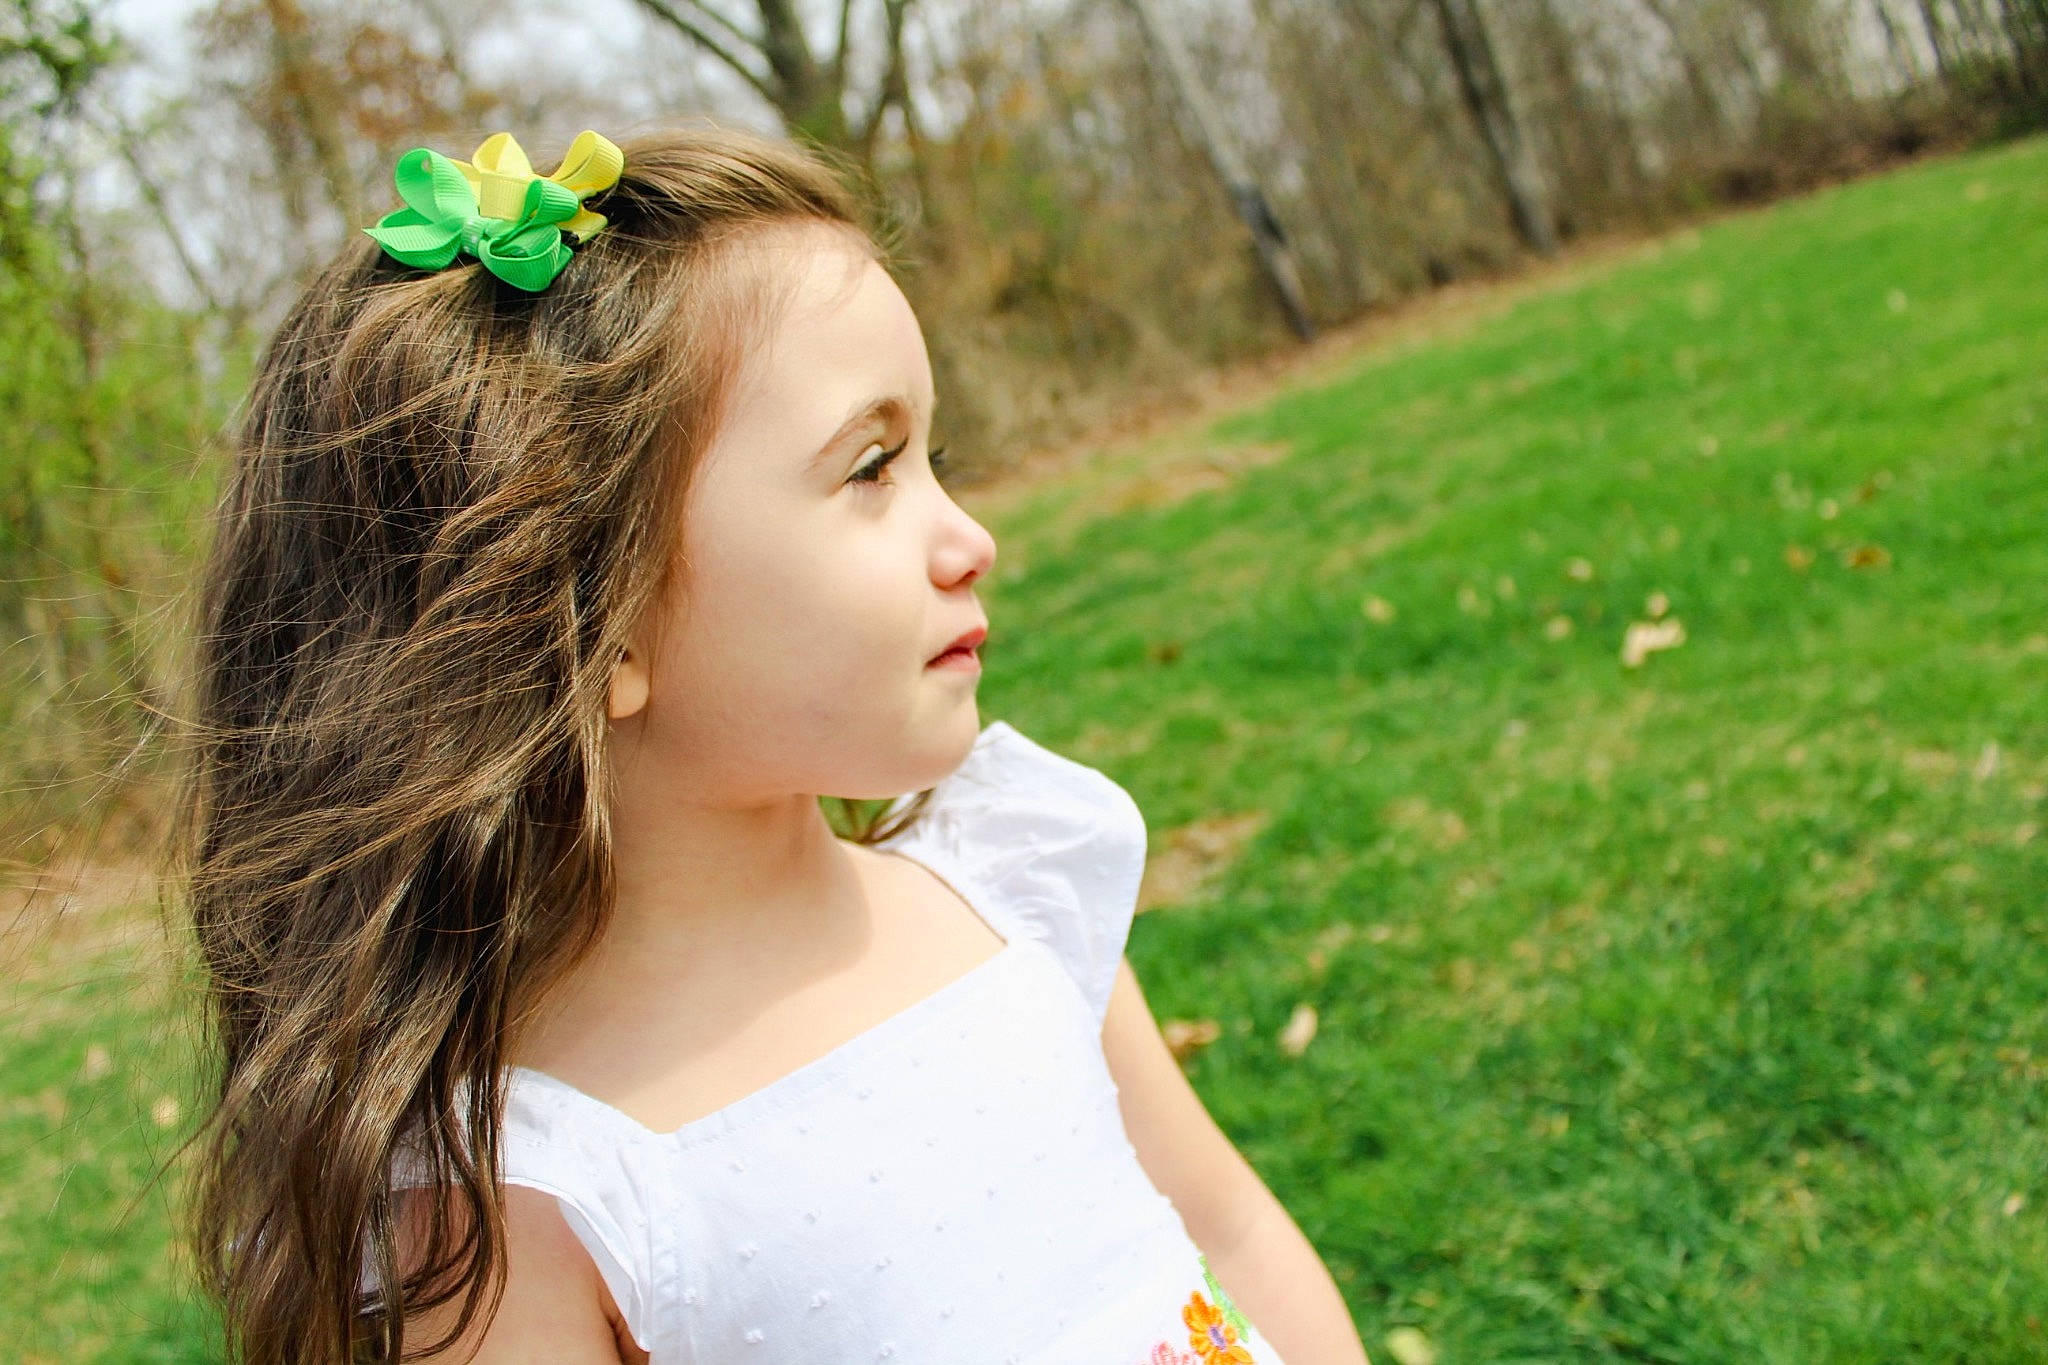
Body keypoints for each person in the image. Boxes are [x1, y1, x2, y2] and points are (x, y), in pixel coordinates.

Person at [168, 122, 1369, 1365]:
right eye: (870, 468)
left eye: (935, 456)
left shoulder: (1005, 893)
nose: (970, 538)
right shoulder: (527, 1187)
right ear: (593, 622)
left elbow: (1225, 1225)